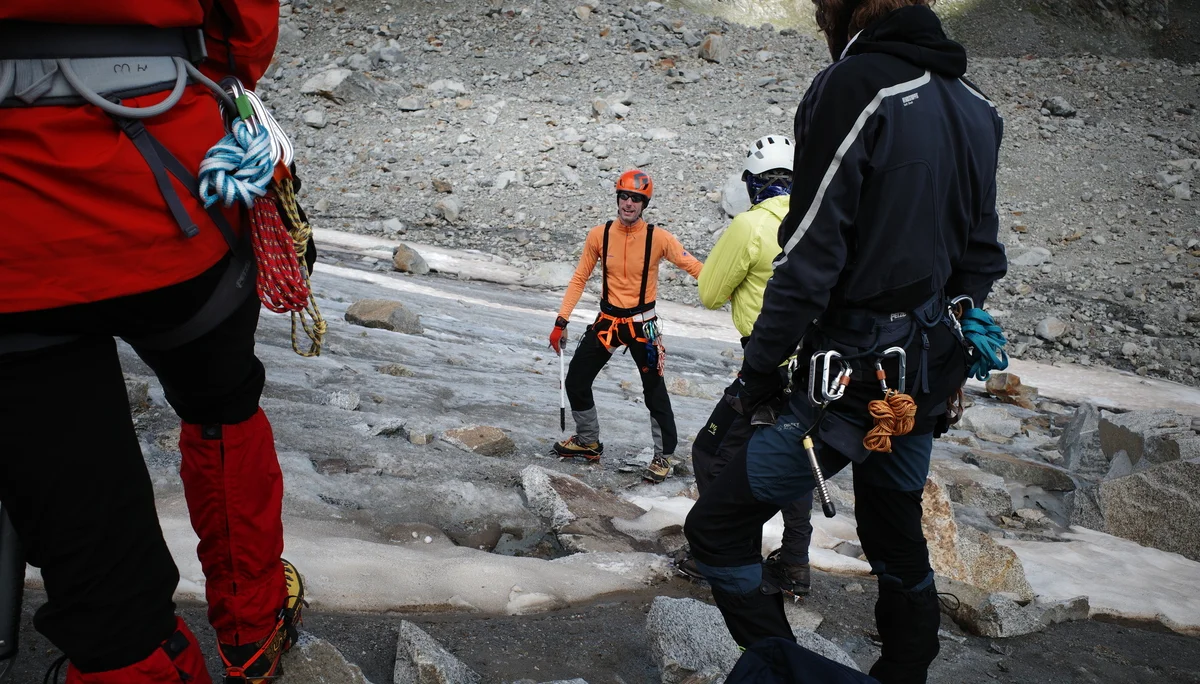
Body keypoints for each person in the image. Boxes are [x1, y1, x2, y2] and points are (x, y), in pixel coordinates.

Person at [683, 1, 1006, 683]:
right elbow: (980, 259)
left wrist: (758, 371)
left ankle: (791, 671)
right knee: (894, 538)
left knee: (715, 528)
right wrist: (947, 334)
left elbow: (808, 258)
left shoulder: (855, 87)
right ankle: (905, 673)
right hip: (922, 384)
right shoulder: (977, 107)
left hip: (847, 387)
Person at [0, 2, 304, 682]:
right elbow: (242, 34)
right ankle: (253, 628)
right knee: (221, 400)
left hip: (13, 243)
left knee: (89, 545)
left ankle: (129, 649)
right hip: (172, 194)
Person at [684, 135, 815, 595]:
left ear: (754, 183)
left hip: (764, 364)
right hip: (814, 367)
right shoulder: (815, 222)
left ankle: (721, 548)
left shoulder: (750, 225)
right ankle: (795, 561)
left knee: (713, 452)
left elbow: (709, 293)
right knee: (795, 452)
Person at [549, 169, 703, 484]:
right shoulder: (599, 235)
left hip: (642, 326)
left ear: (644, 203)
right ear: (617, 198)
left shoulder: (658, 238)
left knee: (654, 392)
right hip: (607, 323)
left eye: (635, 198)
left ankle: (663, 456)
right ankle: (588, 440)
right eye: (624, 196)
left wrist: (729, 287)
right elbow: (580, 278)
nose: (628, 203)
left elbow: (694, 266)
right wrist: (561, 320)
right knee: (577, 380)